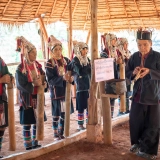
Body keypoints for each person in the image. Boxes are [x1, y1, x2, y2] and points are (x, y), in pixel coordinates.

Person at [126, 28, 160, 160]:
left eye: (145, 44)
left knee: (152, 123)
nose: (142, 47)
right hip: (137, 96)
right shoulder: (134, 57)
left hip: (153, 96)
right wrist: (133, 73)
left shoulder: (157, 56)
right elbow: (127, 73)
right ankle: (137, 143)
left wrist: (150, 72)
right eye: (139, 44)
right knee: (135, 121)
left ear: (150, 43)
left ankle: (150, 151)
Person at [15, 36, 47, 150]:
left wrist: (44, 84)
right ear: (27, 54)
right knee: (28, 122)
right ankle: (28, 145)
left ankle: (35, 142)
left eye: (35, 52)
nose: (35, 55)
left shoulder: (38, 66)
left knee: (37, 120)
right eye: (33, 53)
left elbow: (43, 77)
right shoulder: (20, 69)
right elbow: (20, 84)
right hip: (27, 99)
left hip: (37, 97)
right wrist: (34, 84)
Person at [45, 35, 74, 140]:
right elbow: (50, 79)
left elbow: (73, 71)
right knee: (56, 114)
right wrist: (62, 78)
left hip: (65, 91)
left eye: (60, 49)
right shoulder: (50, 63)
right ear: (52, 51)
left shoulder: (66, 60)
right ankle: (55, 134)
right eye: (56, 49)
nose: (58, 51)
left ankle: (61, 132)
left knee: (64, 113)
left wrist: (71, 78)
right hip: (56, 92)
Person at [69, 42, 91, 131]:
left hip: (88, 85)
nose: (85, 51)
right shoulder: (75, 60)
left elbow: (89, 71)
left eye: (86, 49)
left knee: (89, 105)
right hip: (80, 87)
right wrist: (88, 67)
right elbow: (80, 72)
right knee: (81, 106)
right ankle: (80, 125)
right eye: (83, 49)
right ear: (78, 50)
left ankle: (88, 122)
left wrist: (88, 67)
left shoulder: (87, 59)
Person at [101, 33, 122, 118]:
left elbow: (119, 63)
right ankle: (107, 118)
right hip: (107, 79)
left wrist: (119, 62)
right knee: (107, 98)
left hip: (115, 77)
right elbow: (105, 65)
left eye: (115, 39)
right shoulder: (104, 53)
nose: (115, 41)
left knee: (113, 97)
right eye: (113, 40)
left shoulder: (116, 51)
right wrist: (115, 62)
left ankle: (111, 117)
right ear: (109, 41)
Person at [0, 57, 14, 158]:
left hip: (1, 97)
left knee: (2, 126)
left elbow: (7, 73)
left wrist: (10, 77)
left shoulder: (0, 61)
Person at [117, 38, 132, 115]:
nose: (127, 45)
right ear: (121, 45)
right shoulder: (118, 53)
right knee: (122, 93)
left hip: (128, 75)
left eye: (127, 44)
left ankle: (127, 109)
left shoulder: (128, 53)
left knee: (128, 93)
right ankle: (121, 110)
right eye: (125, 44)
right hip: (121, 76)